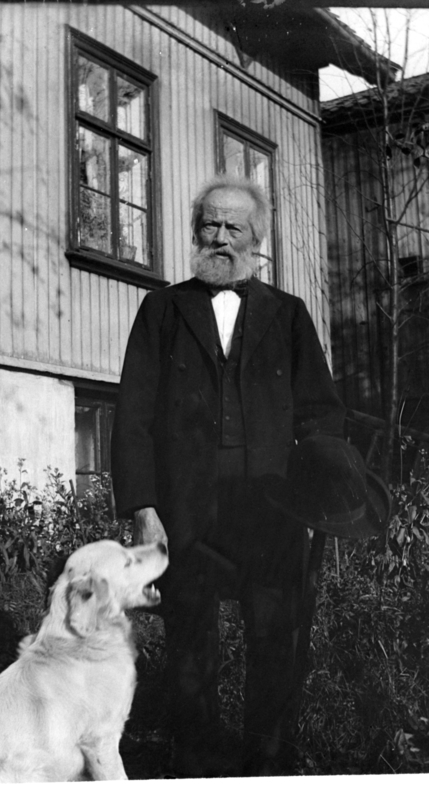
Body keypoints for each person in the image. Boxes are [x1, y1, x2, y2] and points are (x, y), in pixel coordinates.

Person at [110, 174, 346, 777]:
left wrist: (322, 494)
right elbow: (133, 414)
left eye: (232, 227)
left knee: (275, 637)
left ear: (255, 238)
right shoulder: (162, 309)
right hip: (186, 509)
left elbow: (320, 415)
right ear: (195, 233)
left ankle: (266, 766)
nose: (219, 238)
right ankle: (196, 767)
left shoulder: (289, 316)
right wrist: (142, 506)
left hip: (270, 508)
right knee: (190, 641)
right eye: (209, 225)